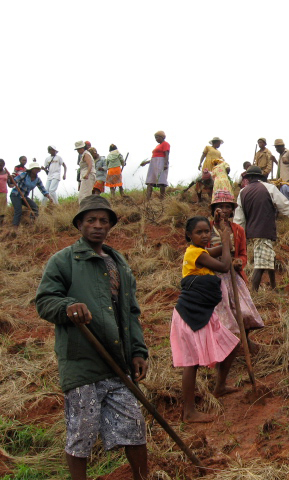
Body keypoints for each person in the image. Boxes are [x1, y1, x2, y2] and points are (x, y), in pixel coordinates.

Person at [35, 196, 149, 480]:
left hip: (117, 362)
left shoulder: (119, 263)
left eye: (103, 221)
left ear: (110, 225)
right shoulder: (63, 260)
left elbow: (130, 311)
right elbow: (45, 301)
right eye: (91, 220)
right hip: (82, 361)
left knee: (134, 427)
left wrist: (138, 351)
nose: (98, 226)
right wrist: (67, 307)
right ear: (79, 224)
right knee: (81, 433)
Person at [171, 216, 240, 422]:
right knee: (191, 363)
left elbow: (223, 252)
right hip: (190, 314)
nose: (204, 235)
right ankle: (189, 412)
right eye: (199, 232)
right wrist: (226, 243)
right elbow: (224, 265)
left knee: (232, 344)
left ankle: (220, 386)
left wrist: (223, 232)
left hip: (204, 313)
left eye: (206, 232)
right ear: (188, 236)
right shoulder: (194, 253)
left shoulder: (201, 252)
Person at [233, 166, 289, 291]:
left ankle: (273, 287)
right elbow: (284, 207)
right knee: (261, 265)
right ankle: (254, 294)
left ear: (249, 178)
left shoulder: (242, 192)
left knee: (269, 257)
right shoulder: (269, 188)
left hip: (253, 232)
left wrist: (239, 236)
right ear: (261, 177)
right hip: (264, 231)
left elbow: (239, 219)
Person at [209, 192, 264, 354]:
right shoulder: (207, 228)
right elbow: (202, 251)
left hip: (234, 276)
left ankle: (245, 340)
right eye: (220, 206)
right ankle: (224, 349)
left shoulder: (238, 230)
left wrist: (239, 262)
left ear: (232, 210)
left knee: (244, 311)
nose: (224, 210)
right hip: (214, 277)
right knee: (222, 315)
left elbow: (243, 253)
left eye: (228, 206)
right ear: (213, 209)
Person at [10, 161, 53, 227]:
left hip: (24, 196)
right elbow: (14, 181)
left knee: (35, 208)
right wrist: (10, 179)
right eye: (35, 168)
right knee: (18, 211)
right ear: (31, 170)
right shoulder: (24, 175)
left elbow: (43, 190)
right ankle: (14, 227)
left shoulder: (37, 180)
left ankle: (31, 224)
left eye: (37, 169)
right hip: (16, 195)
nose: (36, 170)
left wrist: (49, 198)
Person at [141, 131, 169, 199]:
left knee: (161, 181)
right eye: (155, 138)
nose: (156, 139)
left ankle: (162, 199)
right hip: (154, 164)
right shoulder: (158, 146)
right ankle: (147, 199)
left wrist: (165, 164)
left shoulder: (165, 144)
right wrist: (146, 162)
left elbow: (166, 154)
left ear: (161, 137)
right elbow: (154, 158)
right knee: (150, 181)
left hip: (161, 163)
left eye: (157, 137)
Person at [0, 159, 8, 224]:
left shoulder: (6, 172)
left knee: (2, 208)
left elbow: (10, 184)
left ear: (3, 165)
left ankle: (1, 223)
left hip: (3, 192)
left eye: (1, 164)